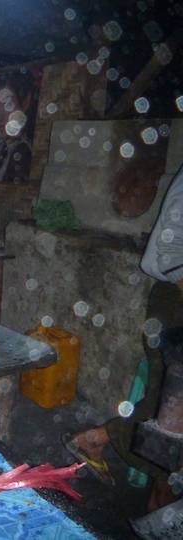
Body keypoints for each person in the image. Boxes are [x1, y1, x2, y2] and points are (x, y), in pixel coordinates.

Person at [62, 165, 183, 512]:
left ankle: (96, 439)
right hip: (177, 300)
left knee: (162, 408)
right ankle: (163, 505)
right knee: (171, 418)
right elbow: (172, 251)